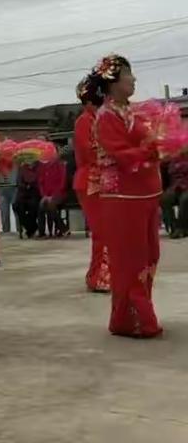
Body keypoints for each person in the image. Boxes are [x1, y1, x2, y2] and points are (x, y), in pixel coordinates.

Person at [93, 54, 162, 338]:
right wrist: (152, 149)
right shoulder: (106, 116)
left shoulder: (134, 113)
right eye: (128, 76)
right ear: (113, 83)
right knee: (130, 259)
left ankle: (126, 318)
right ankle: (136, 319)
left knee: (149, 256)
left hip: (146, 193)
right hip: (122, 196)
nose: (133, 80)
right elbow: (121, 155)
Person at [73, 75, 110, 293]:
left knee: (109, 231)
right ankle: (99, 277)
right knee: (101, 231)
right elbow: (89, 152)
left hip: (105, 181)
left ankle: (101, 275)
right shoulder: (84, 122)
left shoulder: (103, 118)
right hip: (90, 182)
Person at [37, 157, 68, 237]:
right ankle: (42, 232)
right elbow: (41, 183)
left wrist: (53, 196)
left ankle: (62, 228)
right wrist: (44, 195)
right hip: (46, 195)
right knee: (41, 206)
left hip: (59, 194)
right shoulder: (43, 166)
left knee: (51, 205)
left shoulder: (60, 165)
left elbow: (62, 183)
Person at [160, 154, 188, 239]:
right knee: (165, 199)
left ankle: (182, 227)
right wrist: (163, 163)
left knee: (185, 199)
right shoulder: (172, 160)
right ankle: (173, 226)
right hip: (175, 187)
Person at [13, 162, 40, 238]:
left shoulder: (39, 167)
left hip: (34, 193)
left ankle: (30, 229)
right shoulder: (22, 168)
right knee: (17, 206)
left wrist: (31, 185)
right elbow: (19, 182)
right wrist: (25, 186)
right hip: (23, 193)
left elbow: (40, 181)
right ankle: (32, 227)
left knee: (34, 206)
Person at [0, 168, 19, 233]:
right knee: (4, 211)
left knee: (16, 210)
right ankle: (6, 231)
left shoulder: (16, 159)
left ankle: (19, 230)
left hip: (14, 186)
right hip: (1, 186)